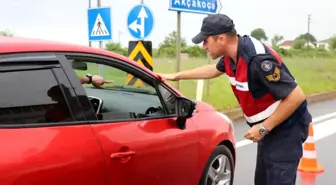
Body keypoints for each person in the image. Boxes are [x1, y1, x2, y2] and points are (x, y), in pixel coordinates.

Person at [156, 14, 311, 185]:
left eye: (206, 41)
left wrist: (262, 129)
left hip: (287, 128)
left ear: (221, 39)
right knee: (263, 180)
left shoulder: (257, 60)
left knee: (278, 180)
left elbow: (296, 96)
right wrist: (175, 76)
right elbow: (213, 70)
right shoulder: (232, 54)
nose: (203, 47)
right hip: (270, 128)